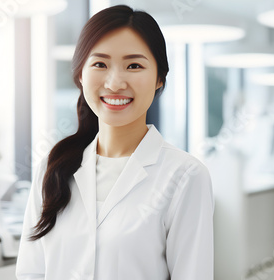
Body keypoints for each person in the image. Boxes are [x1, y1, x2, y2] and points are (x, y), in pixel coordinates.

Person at [16, 5, 214, 280]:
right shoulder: (53, 168)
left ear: (159, 78)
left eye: (134, 65)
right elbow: (31, 272)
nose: (115, 82)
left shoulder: (185, 175)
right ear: (81, 75)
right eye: (100, 64)